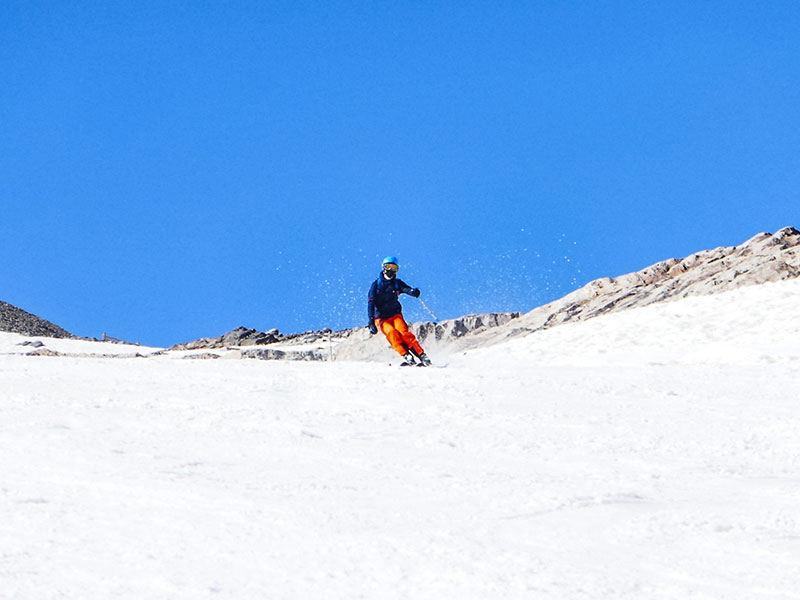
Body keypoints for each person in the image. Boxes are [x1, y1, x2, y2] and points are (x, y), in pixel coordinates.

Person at [367, 256, 432, 366]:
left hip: (395, 315)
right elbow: (370, 303)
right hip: (381, 318)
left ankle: (422, 355)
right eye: (389, 267)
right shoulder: (376, 285)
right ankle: (406, 355)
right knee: (392, 333)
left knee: (404, 333)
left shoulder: (397, 283)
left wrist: (413, 292)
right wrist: (371, 322)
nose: (391, 270)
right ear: (383, 267)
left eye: (394, 267)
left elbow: (406, 289)